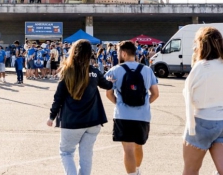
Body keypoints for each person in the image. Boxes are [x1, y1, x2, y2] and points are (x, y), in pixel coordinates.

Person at [47, 39, 114, 175]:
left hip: (72, 121)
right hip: (93, 121)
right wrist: (111, 82)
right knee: (86, 156)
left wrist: (51, 116)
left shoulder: (67, 71)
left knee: (66, 153)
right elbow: (107, 85)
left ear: (73, 52)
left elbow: (58, 97)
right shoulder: (94, 72)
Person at [182, 27, 223, 175]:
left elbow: (188, 94)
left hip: (202, 120)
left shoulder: (200, 67)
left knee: (191, 169)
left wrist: (191, 125)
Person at [105, 41, 159, 175]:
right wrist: (145, 103)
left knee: (128, 148)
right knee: (138, 145)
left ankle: (132, 173)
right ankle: (138, 170)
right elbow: (156, 94)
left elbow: (108, 93)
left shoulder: (115, 70)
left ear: (123, 53)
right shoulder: (147, 70)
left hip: (123, 115)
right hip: (143, 116)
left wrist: (118, 102)